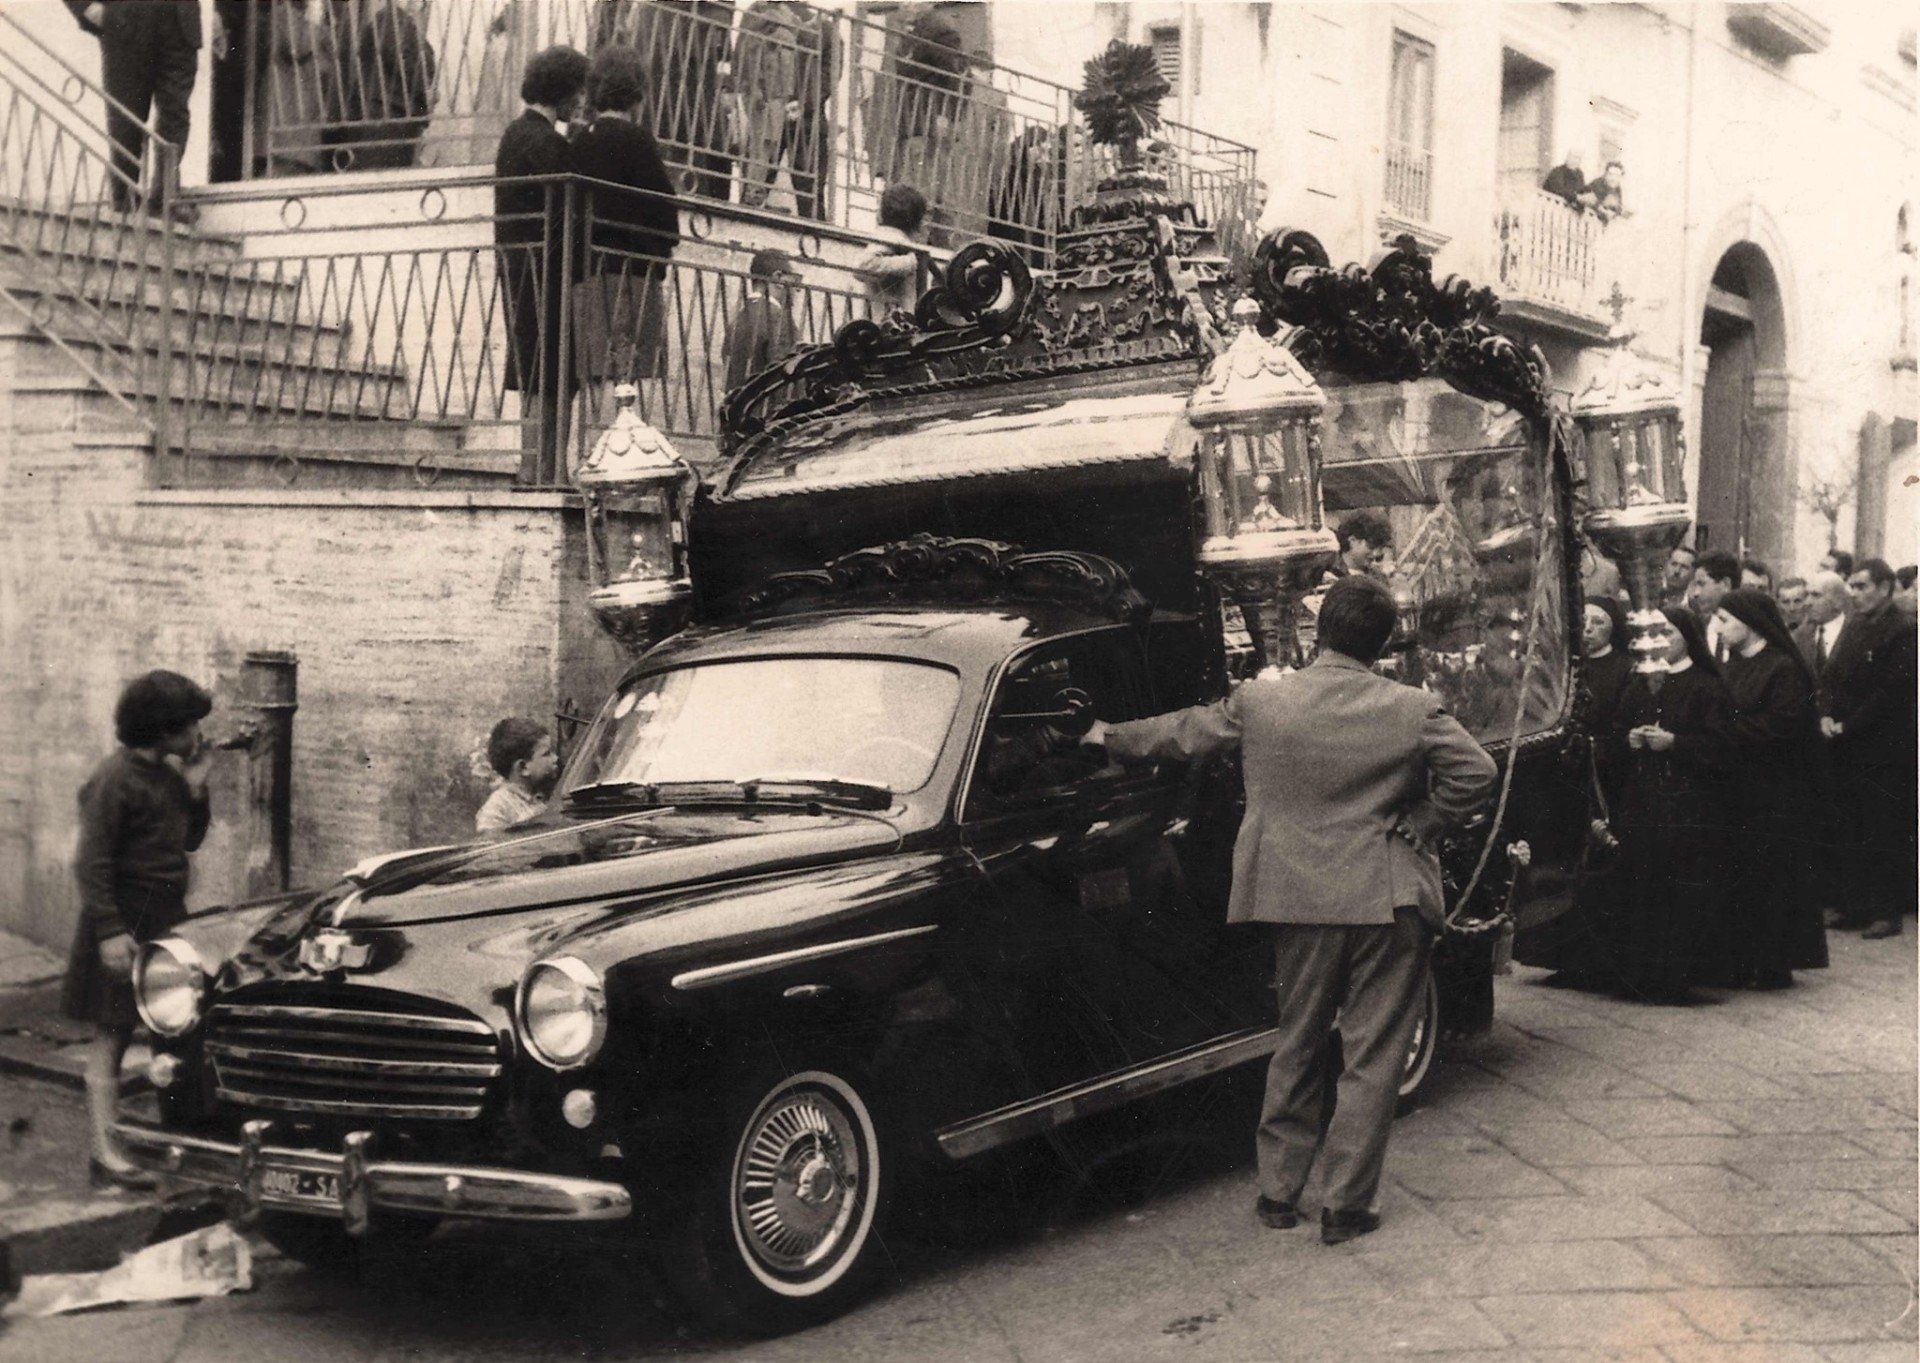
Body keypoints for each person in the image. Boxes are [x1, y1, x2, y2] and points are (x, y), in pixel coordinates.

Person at [1083, 576, 1496, 1244]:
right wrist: (1426, 820)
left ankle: (1278, 1191)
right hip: (1386, 893)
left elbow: (1185, 733)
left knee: (1297, 1039)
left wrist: (1108, 735)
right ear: (1382, 642)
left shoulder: (1263, 700)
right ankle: (1346, 1205)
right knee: (1372, 1054)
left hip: (1297, 895)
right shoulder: (1412, 707)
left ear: (1318, 631)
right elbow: (1477, 772)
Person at [62, 671, 214, 1190]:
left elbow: (189, 840)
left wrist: (196, 789)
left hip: (165, 918)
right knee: (113, 1033)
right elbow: (91, 862)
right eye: (189, 725)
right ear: (162, 728)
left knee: (173, 1028)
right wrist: (109, 931)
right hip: (123, 919)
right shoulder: (114, 779)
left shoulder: (169, 777)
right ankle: (105, 1151)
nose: (197, 734)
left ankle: (177, 1143)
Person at [1609, 608, 1733, 1002]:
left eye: (1669, 632)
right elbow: (1616, 730)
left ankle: (1677, 978)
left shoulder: (1707, 686)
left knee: (1679, 890)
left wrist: (1676, 743)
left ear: (1688, 637)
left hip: (1688, 803)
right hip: (1643, 799)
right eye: (1655, 633)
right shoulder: (1640, 683)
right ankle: (1639, 975)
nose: (1660, 641)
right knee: (1641, 886)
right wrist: (1629, 739)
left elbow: (1723, 747)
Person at [1707, 590, 1829, 987]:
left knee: (1772, 876)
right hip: (1737, 787)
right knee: (1740, 873)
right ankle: (1742, 960)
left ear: (1749, 622)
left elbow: (1782, 725)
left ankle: (1773, 963)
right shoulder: (1731, 664)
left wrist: (1724, 733)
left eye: (1725, 620)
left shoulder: (1783, 668)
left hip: (1775, 791)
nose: (1718, 628)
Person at [569, 45, 682, 430]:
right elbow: (665, 211)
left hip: (588, 275)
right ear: (636, 95)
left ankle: (591, 451)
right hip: (633, 277)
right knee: (627, 378)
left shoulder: (580, 143)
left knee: (595, 374)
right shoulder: (638, 141)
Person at [495, 45, 589, 484]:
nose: (581, 101)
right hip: (548, 270)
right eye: (578, 92)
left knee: (533, 368)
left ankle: (533, 466)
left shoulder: (515, 134)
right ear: (563, 91)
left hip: (519, 266)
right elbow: (574, 205)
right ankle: (550, 471)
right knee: (556, 373)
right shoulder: (547, 142)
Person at [1821, 559, 1918, 939]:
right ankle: (1854, 905)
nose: (1855, 593)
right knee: (1850, 823)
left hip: (1882, 746)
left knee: (1882, 826)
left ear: (1885, 587)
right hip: (1845, 742)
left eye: (1862, 586)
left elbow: (1891, 692)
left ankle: (1885, 911)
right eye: (1853, 586)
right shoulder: (1854, 624)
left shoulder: (1903, 630)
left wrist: (1849, 725)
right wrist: (1826, 715)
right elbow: (1831, 676)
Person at [65, 0, 212, 220]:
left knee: (175, 115)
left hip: (179, 21)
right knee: (126, 118)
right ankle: (124, 204)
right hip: (127, 18)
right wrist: (84, 6)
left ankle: (165, 200)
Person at [723, 248, 801, 394]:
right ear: (778, 278)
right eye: (796, 280)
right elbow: (789, 374)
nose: (798, 289)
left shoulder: (738, 317)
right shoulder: (779, 319)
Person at [854, 183, 931, 315]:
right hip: (888, 319)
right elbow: (862, 266)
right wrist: (909, 262)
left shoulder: (899, 239)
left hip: (892, 318)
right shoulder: (889, 237)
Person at [476, 717, 558, 833]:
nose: (555, 758)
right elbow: (490, 841)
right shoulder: (497, 809)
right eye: (547, 754)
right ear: (523, 767)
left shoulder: (543, 793)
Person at [1796, 569, 1849, 674]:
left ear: (1838, 601)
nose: (1807, 602)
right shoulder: (1799, 637)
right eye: (1806, 595)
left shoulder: (1857, 632)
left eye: (1816, 595)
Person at [1332, 511, 1394, 579]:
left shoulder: (1379, 577)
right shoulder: (1329, 575)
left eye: (1380, 548)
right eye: (1371, 546)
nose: (1376, 553)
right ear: (1352, 540)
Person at [1663, 544, 1698, 609]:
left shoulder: (1694, 606)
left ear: (1693, 573)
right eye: (1674, 564)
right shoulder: (1648, 596)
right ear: (1665, 565)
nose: (1677, 571)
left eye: (1684, 567)